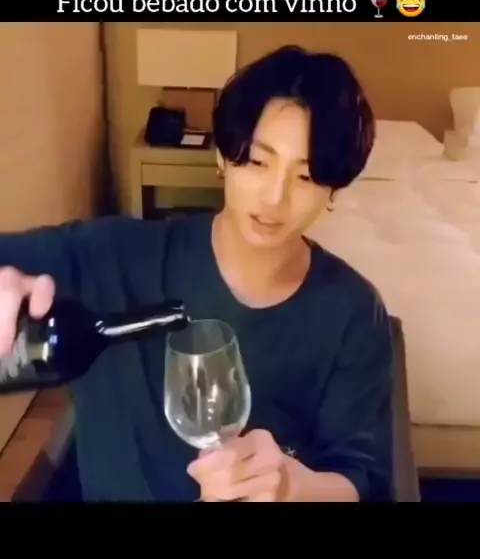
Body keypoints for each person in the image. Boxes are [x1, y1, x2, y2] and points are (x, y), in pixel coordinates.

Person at [0, 45, 393, 502]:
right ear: (223, 157)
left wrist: (292, 486)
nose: (275, 197)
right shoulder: (111, 255)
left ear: (333, 189)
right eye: (257, 161)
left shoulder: (352, 312)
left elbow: (363, 480)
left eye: (305, 177)